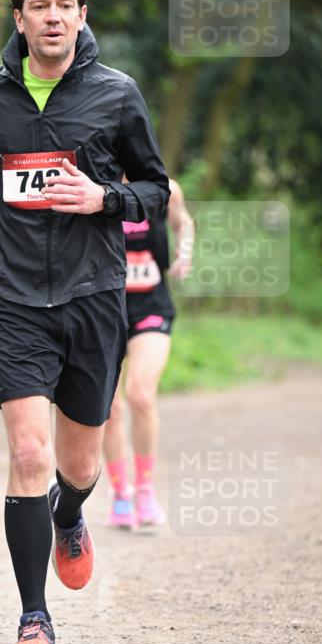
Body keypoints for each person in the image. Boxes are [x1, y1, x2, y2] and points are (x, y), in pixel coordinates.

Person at [0, 0, 169, 644]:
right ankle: (33, 620)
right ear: (18, 16)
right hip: (12, 301)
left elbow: (156, 188)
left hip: (93, 297)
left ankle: (71, 515)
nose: (52, 16)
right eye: (38, 5)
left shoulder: (116, 93)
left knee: (78, 463)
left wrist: (106, 198)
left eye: (63, 5)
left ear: (80, 14)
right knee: (28, 453)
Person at [103, 179, 194, 528]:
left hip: (151, 306)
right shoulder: (96, 185)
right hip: (106, 309)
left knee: (140, 395)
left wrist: (184, 253)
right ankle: (120, 493)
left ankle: (144, 489)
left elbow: (182, 221)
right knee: (108, 406)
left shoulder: (164, 187)